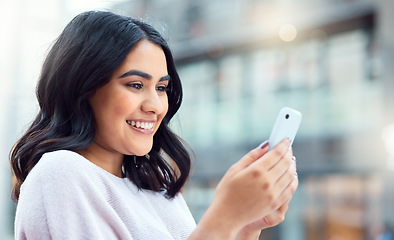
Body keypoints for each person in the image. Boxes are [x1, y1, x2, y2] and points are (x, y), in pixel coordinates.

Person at [10, 11, 298, 240]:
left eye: (161, 88)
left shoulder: (155, 188)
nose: (156, 106)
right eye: (136, 85)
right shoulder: (61, 174)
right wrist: (226, 216)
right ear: (82, 87)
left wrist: (246, 227)